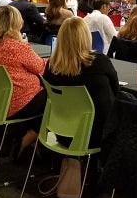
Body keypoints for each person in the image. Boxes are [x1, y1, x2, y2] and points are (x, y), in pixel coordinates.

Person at [0, 6, 47, 156]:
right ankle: (27, 140)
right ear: (17, 24)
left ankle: (30, 142)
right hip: (13, 104)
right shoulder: (18, 48)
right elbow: (40, 68)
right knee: (53, 100)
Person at [43, 17, 119, 148]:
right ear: (86, 37)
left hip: (62, 132)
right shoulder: (100, 62)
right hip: (96, 135)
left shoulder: (51, 67)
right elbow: (116, 91)